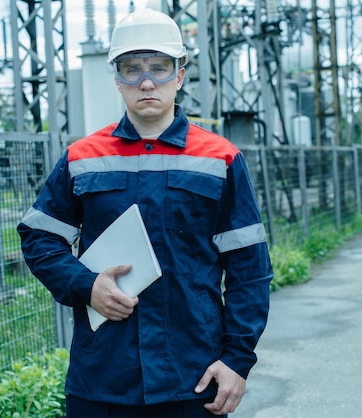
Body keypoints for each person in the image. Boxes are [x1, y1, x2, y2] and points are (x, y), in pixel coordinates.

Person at [17, 8, 272, 418]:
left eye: (160, 67)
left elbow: (249, 269)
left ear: (181, 75)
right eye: (131, 69)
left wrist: (237, 360)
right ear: (117, 78)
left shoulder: (220, 158)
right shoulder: (83, 158)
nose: (147, 81)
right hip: (102, 379)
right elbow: (39, 237)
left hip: (194, 378)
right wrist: (86, 285)